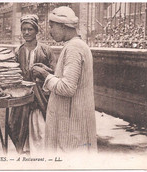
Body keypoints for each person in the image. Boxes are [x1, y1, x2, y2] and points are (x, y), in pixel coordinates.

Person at [32, 6, 97, 154]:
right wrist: (51, 73)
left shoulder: (74, 48)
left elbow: (67, 88)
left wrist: (45, 75)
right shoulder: (77, 45)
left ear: (63, 26)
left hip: (71, 123)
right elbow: (72, 78)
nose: (50, 30)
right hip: (74, 118)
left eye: (52, 26)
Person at [8, 14, 56, 155]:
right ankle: (23, 151)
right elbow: (12, 72)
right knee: (17, 125)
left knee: (40, 127)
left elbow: (54, 72)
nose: (27, 32)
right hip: (23, 95)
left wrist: (41, 72)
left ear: (36, 31)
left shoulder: (46, 50)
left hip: (41, 96)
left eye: (30, 29)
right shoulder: (17, 51)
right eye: (24, 29)